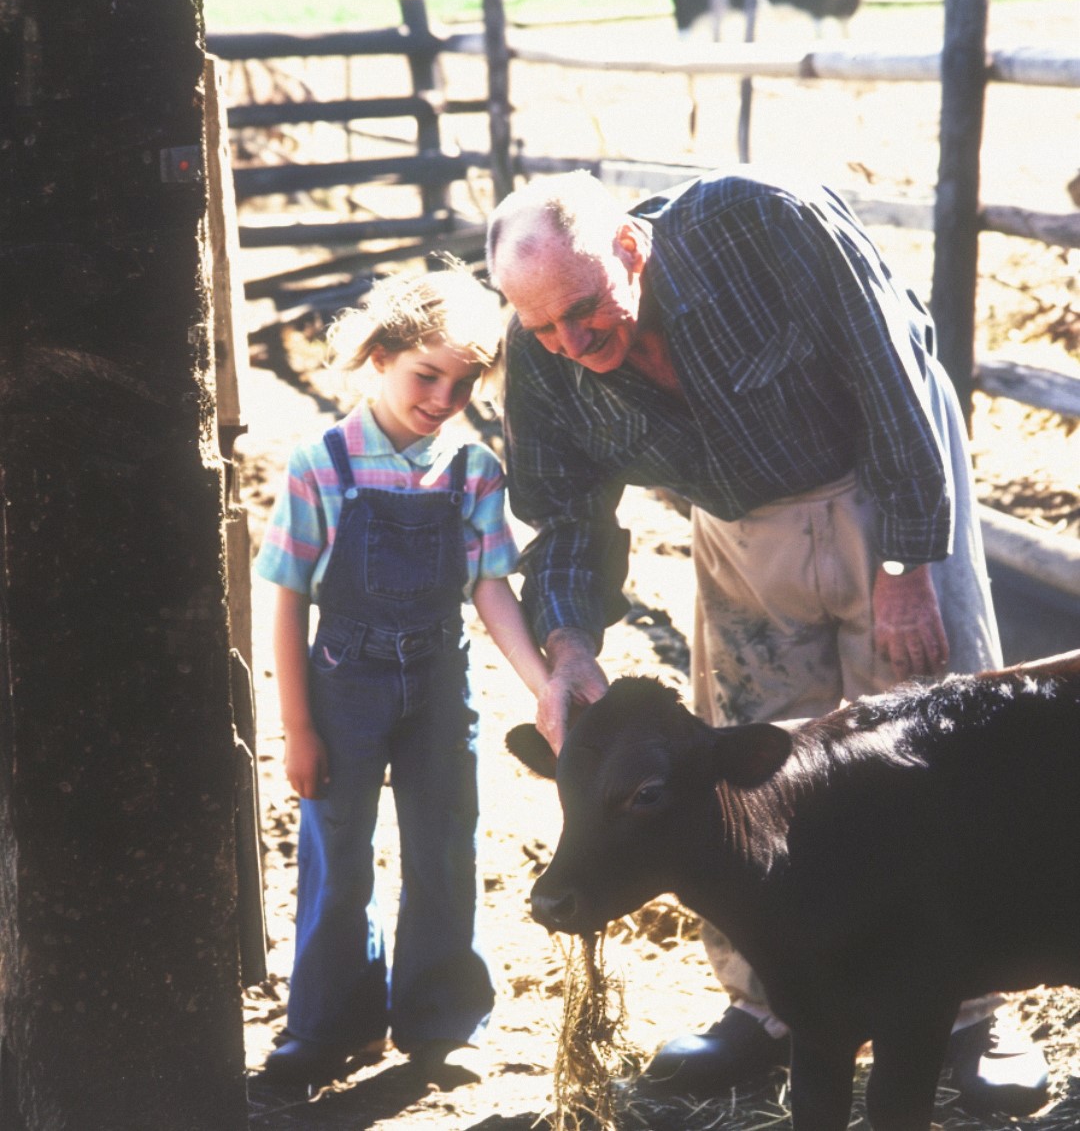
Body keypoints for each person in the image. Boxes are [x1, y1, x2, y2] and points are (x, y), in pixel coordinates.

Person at [486, 167, 1049, 1116]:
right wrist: (569, 642)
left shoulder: (762, 226)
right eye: (542, 327)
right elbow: (568, 516)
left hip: (880, 474)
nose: (569, 344)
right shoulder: (544, 350)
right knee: (749, 767)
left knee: (931, 746)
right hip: (740, 520)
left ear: (631, 247)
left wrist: (909, 564)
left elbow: (892, 374)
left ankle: (973, 1011)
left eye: (583, 312)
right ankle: (770, 1004)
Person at [254, 263, 549, 1088]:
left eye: (463, 382)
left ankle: (438, 1021)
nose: (443, 398)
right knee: (338, 855)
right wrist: (299, 728)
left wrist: (540, 685)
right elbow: (284, 601)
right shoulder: (323, 463)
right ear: (379, 355)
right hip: (343, 689)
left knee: (443, 848)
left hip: (438, 691)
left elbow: (489, 586)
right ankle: (325, 1028)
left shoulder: (473, 471)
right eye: (427, 374)